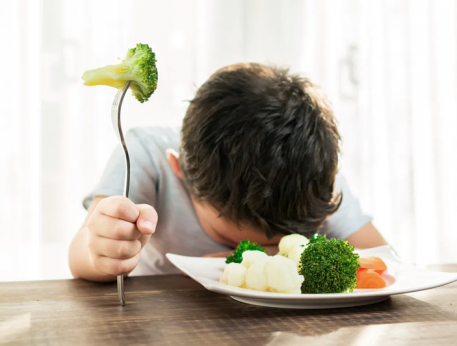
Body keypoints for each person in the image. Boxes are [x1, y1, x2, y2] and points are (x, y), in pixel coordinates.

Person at [69, 63, 387, 282]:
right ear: (177, 168)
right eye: (228, 240)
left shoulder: (311, 175)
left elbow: (382, 261)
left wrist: (273, 258)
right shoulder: (145, 156)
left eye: (281, 239)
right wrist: (100, 250)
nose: (245, 253)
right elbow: (80, 255)